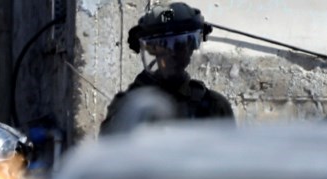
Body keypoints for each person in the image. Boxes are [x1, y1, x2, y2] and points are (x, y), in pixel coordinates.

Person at [100, 2, 234, 135]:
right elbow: (111, 152)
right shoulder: (129, 107)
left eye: (180, 45)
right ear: (152, 50)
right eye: (164, 45)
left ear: (191, 49)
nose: (172, 54)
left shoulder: (213, 106)